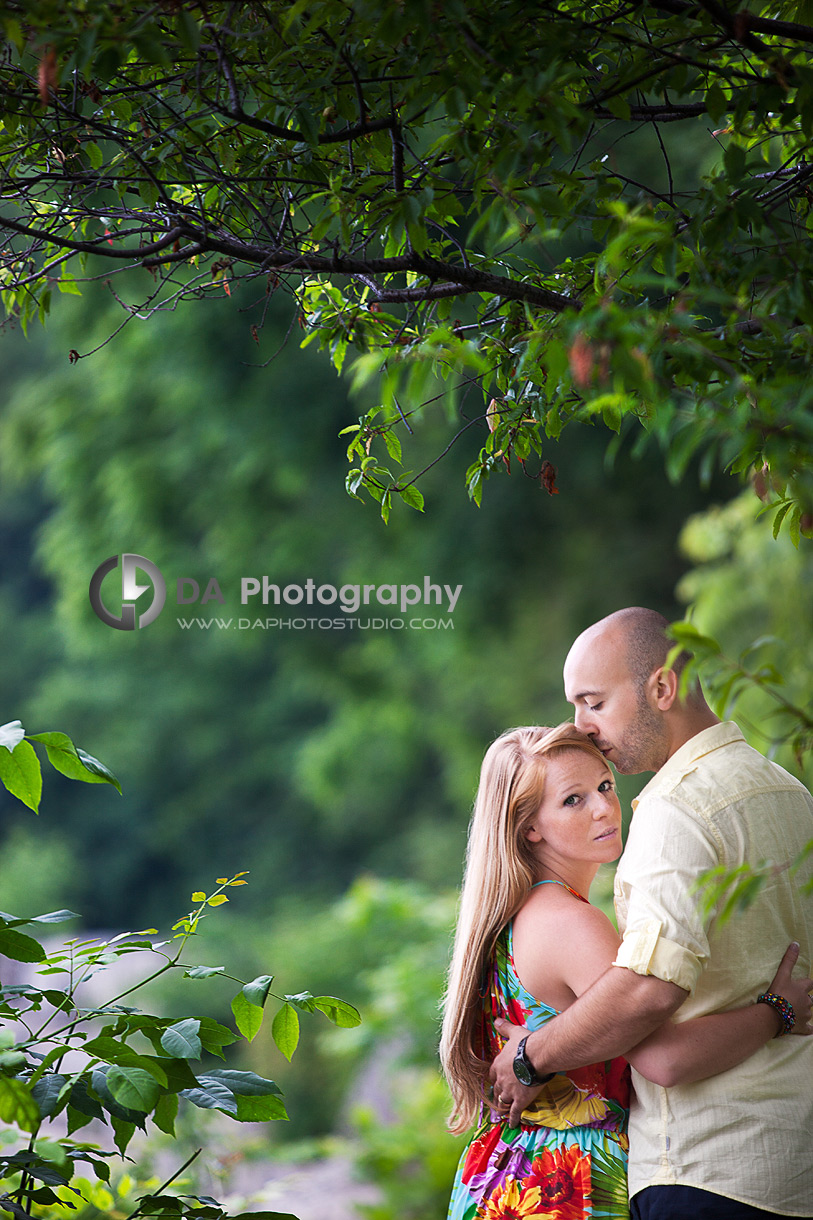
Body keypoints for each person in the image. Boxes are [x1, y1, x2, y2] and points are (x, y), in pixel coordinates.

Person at [489, 608, 813, 1219]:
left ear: (661, 688)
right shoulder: (791, 793)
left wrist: (532, 1055)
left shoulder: (676, 808)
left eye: (593, 703)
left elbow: (646, 993)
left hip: (706, 1169)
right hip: (794, 1162)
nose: (581, 728)